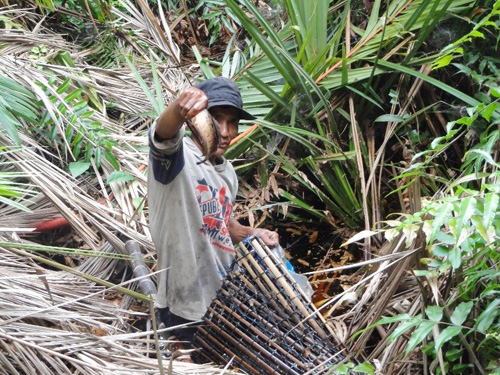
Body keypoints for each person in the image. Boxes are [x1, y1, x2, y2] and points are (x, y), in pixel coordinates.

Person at [147, 77, 279, 356]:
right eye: (216, 119)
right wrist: (180, 108)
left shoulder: (227, 172)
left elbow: (222, 222)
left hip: (222, 293)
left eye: (232, 122)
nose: (226, 131)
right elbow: (163, 132)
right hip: (184, 302)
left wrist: (252, 234)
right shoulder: (176, 156)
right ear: (198, 120)